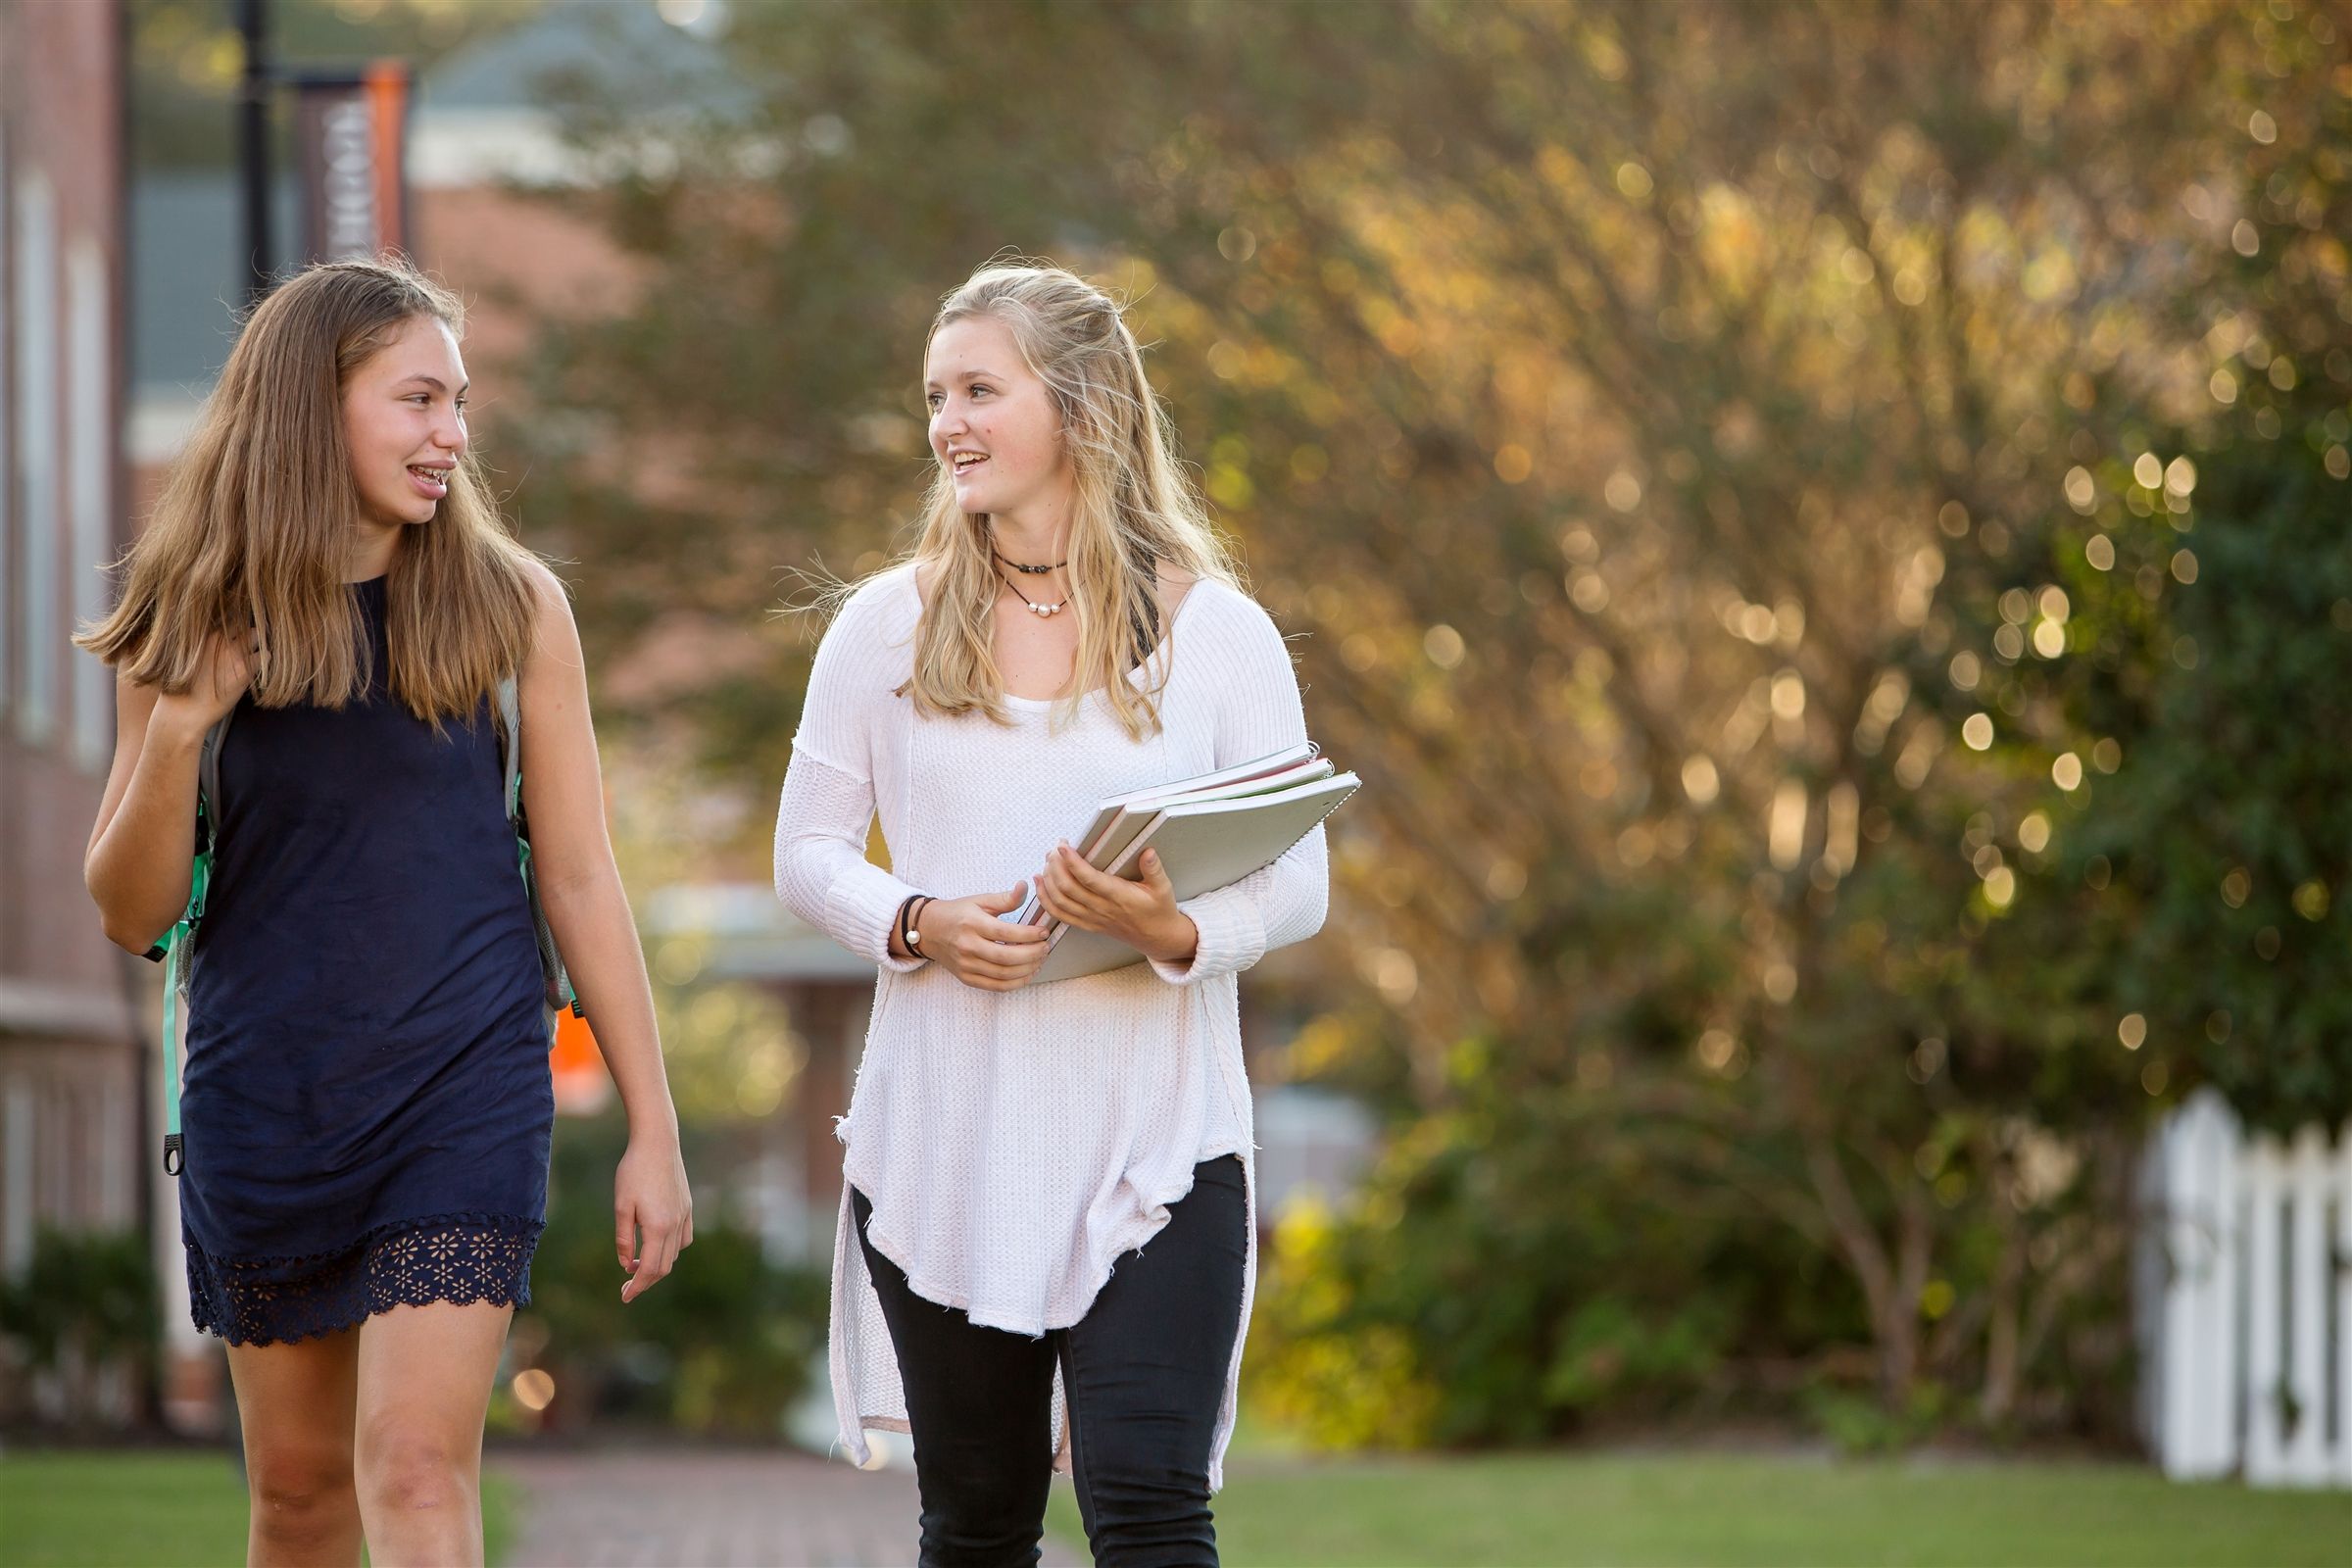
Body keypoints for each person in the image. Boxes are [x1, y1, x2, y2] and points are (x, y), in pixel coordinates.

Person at [78, 257, 692, 1568]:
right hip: (268, 1091)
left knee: (413, 1471)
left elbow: (580, 876)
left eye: (459, 403)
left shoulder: (512, 604)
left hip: (463, 1082)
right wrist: (182, 725)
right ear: (317, 405)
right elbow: (133, 913)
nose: (453, 437)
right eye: (420, 401)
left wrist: (655, 1125)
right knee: (298, 1495)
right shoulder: (186, 611)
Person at [773, 261, 1329, 1566]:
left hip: (1159, 1145)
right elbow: (805, 854)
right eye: (934, 396)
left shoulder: (1223, 636)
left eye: (978, 389)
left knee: (1148, 1511)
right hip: (944, 1142)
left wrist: (1169, 931)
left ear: (1077, 405)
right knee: (976, 1526)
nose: (945, 423)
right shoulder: (880, 630)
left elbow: (1297, 880)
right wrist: (917, 922)